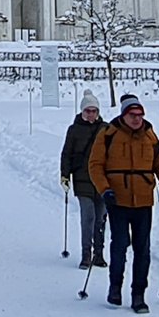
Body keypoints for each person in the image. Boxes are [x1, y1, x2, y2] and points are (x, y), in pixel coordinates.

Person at [89, 94, 159, 313]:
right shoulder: (108, 135)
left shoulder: (149, 135)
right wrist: (104, 189)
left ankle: (138, 295)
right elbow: (95, 164)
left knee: (142, 249)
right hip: (118, 200)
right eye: (132, 115)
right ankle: (115, 288)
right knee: (120, 245)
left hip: (144, 200)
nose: (137, 119)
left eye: (140, 115)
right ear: (124, 115)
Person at [59, 91, 108, 269]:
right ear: (82, 111)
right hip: (82, 179)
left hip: (102, 181)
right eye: (87, 111)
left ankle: (99, 253)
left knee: (100, 218)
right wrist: (65, 175)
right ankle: (86, 253)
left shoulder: (106, 129)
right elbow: (67, 154)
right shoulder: (74, 130)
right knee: (88, 217)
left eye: (94, 111)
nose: (91, 114)